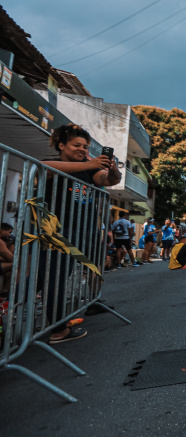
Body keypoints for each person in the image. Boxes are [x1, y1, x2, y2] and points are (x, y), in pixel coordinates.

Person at [42, 123, 121, 343]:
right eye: (77, 145)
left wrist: (112, 169)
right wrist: (91, 163)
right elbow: (45, 167)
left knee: (95, 266)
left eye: (85, 146)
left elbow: (109, 180)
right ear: (61, 145)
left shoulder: (89, 168)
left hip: (86, 229)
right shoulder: (50, 164)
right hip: (60, 231)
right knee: (54, 277)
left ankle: (93, 301)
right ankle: (58, 329)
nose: (83, 150)